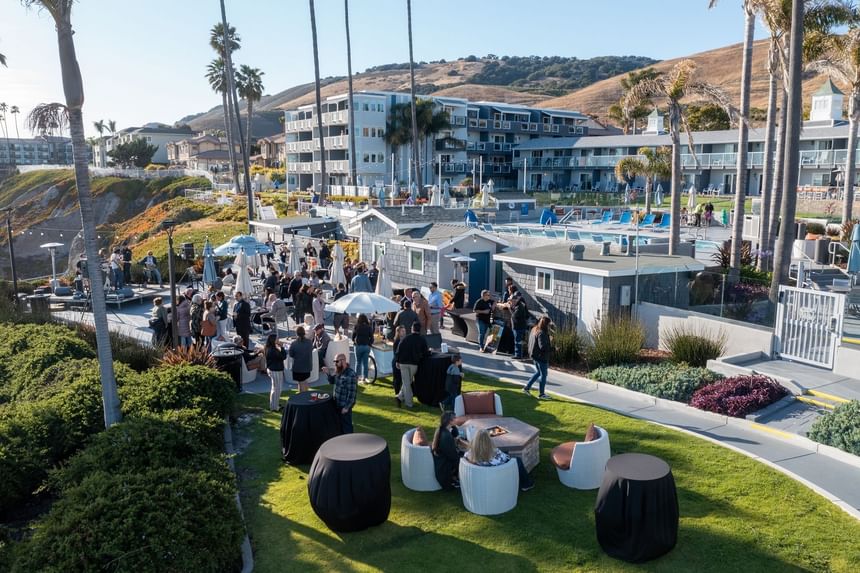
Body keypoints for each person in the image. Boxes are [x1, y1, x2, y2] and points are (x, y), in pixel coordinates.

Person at [465, 429, 534, 492]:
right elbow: (506, 459)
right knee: (517, 460)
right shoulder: (495, 453)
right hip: (497, 476)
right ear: (489, 440)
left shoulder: (469, 454)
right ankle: (526, 484)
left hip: (481, 477)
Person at [395, 322, 429, 409]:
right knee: (407, 382)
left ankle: (400, 397)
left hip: (403, 363)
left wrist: (397, 361)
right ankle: (408, 403)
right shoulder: (422, 339)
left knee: (407, 382)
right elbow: (426, 352)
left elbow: (399, 350)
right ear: (420, 329)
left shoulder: (406, 338)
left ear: (412, 329)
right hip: (414, 364)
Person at [322, 353, 357, 434]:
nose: (335, 363)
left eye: (336, 361)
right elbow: (333, 381)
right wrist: (327, 373)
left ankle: (350, 442)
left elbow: (352, 393)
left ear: (343, 361)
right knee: (339, 425)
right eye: (334, 361)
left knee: (347, 427)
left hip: (344, 406)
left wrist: (347, 407)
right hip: (337, 404)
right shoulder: (339, 370)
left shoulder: (350, 375)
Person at [431, 412, 465, 490]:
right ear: (450, 421)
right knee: (466, 457)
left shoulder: (443, 429)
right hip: (445, 469)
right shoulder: (446, 437)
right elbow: (454, 458)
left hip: (445, 460)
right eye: (455, 418)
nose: (457, 419)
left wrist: (455, 429)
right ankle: (458, 479)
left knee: (464, 453)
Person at [524, 316, 552, 399]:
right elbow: (542, 347)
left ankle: (527, 388)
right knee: (543, 375)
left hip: (535, 355)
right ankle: (541, 394)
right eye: (549, 324)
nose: (550, 326)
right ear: (546, 325)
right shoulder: (542, 333)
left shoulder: (534, 330)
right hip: (541, 357)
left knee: (539, 373)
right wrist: (553, 348)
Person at [265, 333, 288, 411]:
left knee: (275, 388)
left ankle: (274, 405)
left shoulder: (268, 347)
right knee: (277, 389)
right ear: (273, 340)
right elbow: (284, 356)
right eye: (277, 339)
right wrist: (282, 347)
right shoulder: (273, 350)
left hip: (272, 369)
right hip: (276, 371)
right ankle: (274, 407)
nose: (278, 340)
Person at [289, 325, 314, 393]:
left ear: (296, 333)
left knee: (301, 383)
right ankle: (304, 395)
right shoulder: (309, 342)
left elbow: (291, 354)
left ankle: (303, 398)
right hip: (307, 367)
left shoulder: (294, 344)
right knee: (304, 381)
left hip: (298, 368)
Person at [352, 314, 374, 384]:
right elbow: (372, 338)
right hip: (366, 346)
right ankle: (365, 378)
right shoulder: (369, 327)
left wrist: (354, 341)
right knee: (365, 363)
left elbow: (353, 337)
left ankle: (357, 377)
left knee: (358, 362)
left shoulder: (356, 326)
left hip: (358, 346)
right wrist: (369, 344)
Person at [510, 292, 529, 359]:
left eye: (512, 301)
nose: (511, 302)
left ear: (516, 300)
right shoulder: (516, 306)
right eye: (510, 301)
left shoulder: (519, 307)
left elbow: (513, 316)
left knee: (518, 341)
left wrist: (510, 308)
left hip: (519, 327)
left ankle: (518, 355)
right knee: (517, 341)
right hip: (516, 327)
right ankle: (517, 353)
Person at [391, 325, 406, 395]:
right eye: (402, 331)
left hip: (400, 361)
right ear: (398, 332)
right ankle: (397, 394)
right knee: (398, 379)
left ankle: (400, 393)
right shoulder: (397, 341)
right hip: (397, 362)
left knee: (400, 379)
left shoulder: (403, 340)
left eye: (404, 331)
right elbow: (396, 353)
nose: (404, 332)